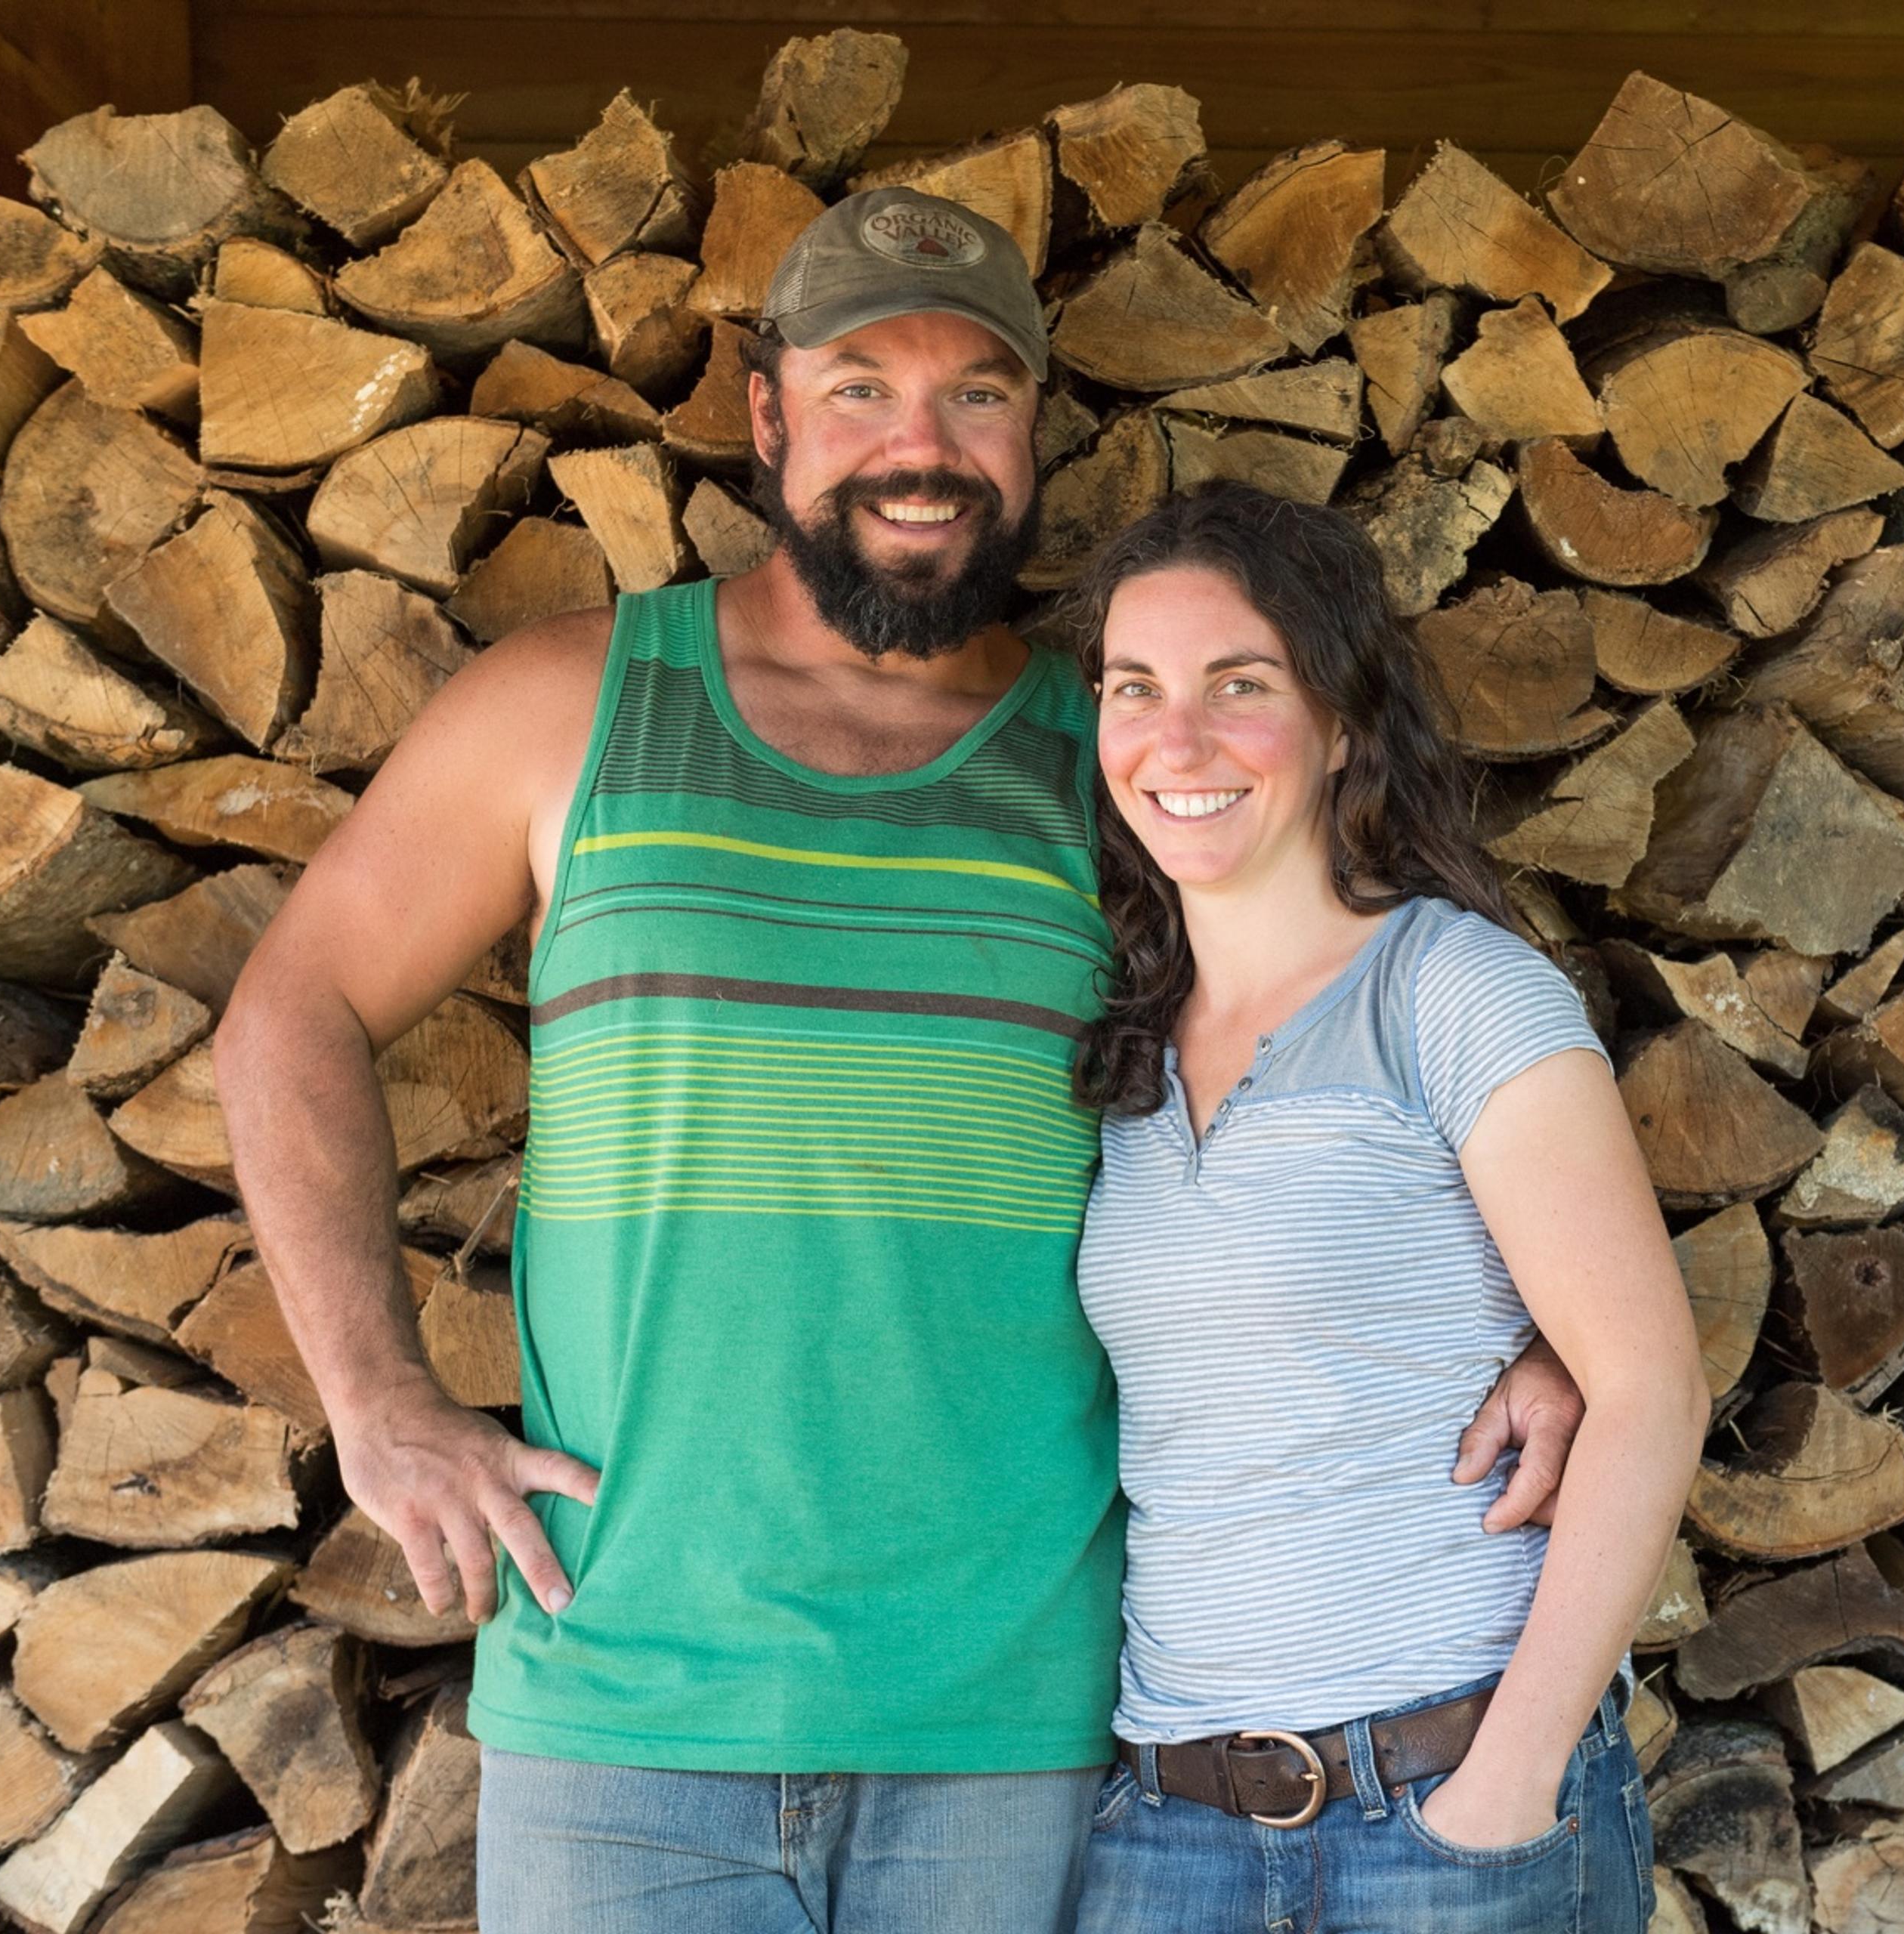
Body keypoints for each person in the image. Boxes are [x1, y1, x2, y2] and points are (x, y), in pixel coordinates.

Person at [212, 188, 1586, 1933]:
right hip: (628, 1700)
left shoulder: (1127, 762)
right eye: (860, 389)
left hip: (1012, 1727)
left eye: (975, 395)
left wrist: (1546, 1306)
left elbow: (1372, 1024)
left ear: (1031, 432)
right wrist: (379, 1405)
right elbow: (290, 1008)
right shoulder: (568, 707)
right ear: (770, 414)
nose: (918, 448)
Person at [1060, 483, 1710, 1933]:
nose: (1178, 743)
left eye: (1242, 686)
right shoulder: (1123, 1041)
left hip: (1445, 1795)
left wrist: (1512, 1778)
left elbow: (1651, 1386)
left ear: (1344, 719)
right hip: (1170, 1830)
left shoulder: (1452, 990)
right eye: (1134, 690)